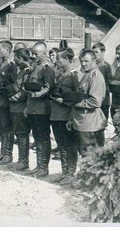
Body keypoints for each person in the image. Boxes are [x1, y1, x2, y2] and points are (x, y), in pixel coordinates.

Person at [23, 41, 55, 178]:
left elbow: (48, 88)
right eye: (32, 53)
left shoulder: (47, 68)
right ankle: (39, 166)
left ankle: (44, 168)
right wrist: (27, 105)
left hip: (42, 109)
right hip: (33, 108)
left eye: (35, 54)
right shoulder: (35, 67)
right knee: (37, 138)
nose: (33, 56)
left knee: (43, 138)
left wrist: (36, 94)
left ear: (44, 53)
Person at [49, 48, 81, 185]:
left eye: (60, 58)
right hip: (56, 114)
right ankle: (64, 171)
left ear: (68, 59)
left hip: (66, 115)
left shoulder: (75, 75)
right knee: (61, 145)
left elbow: (77, 97)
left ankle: (70, 173)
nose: (57, 60)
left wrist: (64, 102)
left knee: (70, 145)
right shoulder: (60, 74)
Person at [70, 49, 107, 155]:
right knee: (84, 153)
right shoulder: (88, 74)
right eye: (81, 61)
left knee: (90, 155)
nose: (83, 63)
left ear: (94, 60)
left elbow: (95, 101)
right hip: (83, 121)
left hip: (90, 122)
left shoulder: (95, 76)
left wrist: (76, 104)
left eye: (86, 61)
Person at [8, 48, 33, 170]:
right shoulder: (22, 71)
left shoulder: (28, 72)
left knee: (22, 134)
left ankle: (23, 162)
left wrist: (15, 97)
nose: (14, 59)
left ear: (20, 58)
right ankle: (21, 160)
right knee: (18, 134)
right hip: (15, 107)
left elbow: (25, 90)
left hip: (20, 107)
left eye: (15, 57)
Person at [0, 41, 18, 164]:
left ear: (7, 50)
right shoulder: (1, 63)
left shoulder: (12, 65)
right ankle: (3, 152)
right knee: (2, 128)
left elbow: (14, 84)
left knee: (8, 128)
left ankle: (8, 154)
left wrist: (4, 89)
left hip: (6, 101)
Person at [92, 42, 112, 125]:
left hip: (103, 101)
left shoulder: (105, 66)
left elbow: (109, 82)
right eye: (93, 52)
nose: (94, 54)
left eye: (96, 52)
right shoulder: (93, 65)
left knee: (101, 125)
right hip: (93, 99)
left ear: (103, 52)